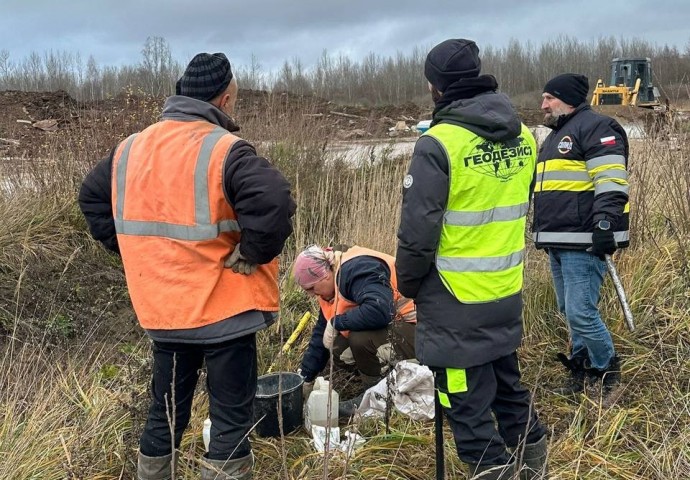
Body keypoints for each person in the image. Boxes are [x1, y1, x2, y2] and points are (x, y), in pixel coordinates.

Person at [78, 52, 295, 480]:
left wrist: (131, 252)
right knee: (230, 420)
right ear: (226, 97)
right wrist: (252, 253)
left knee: (164, 415)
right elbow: (274, 202)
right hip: (224, 314)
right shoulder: (224, 149)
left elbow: (91, 198)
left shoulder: (131, 148)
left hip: (164, 314)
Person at [395, 39, 547, 480]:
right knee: (506, 381)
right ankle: (535, 462)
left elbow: (418, 234)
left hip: (453, 296)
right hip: (504, 288)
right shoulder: (523, 137)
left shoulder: (438, 144)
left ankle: (492, 469)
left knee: (463, 401)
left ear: (435, 86)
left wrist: (407, 284)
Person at [533, 73, 629, 399]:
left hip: (583, 240)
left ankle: (607, 372)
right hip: (558, 239)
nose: (543, 104)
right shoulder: (555, 136)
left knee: (581, 312)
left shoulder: (597, 128)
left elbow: (611, 181)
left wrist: (604, 224)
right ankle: (582, 363)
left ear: (568, 99)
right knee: (568, 310)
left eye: (549, 98)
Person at [293, 244, 416, 418]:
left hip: (422, 331)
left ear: (325, 274)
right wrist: (306, 376)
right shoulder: (329, 291)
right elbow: (321, 334)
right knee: (336, 345)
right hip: (397, 330)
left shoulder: (357, 270)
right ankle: (385, 379)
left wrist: (338, 322)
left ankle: (375, 399)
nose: (312, 295)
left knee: (360, 338)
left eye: (312, 288)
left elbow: (381, 311)